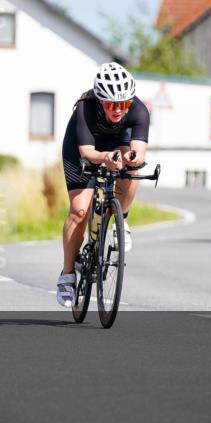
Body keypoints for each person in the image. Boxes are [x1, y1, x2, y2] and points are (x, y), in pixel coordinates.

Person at [56, 62, 150, 307]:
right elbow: (87, 152)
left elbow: (139, 151)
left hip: (117, 142)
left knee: (131, 167)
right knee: (79, 211)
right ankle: (67, 275)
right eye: (111, 104)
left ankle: (121, 219)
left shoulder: (138, 109)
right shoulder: (85, 108)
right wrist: (105, 158)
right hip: (82, 149)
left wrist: (132, 158)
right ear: (100, 101)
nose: (118, 110)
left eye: (123, 104)